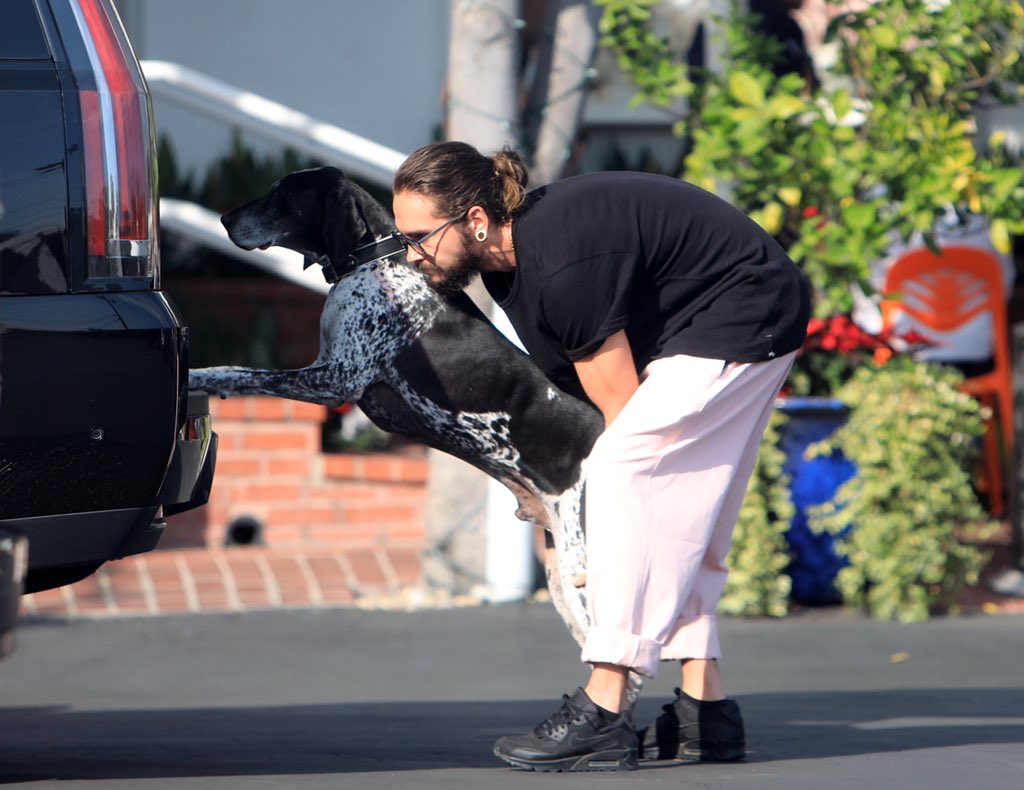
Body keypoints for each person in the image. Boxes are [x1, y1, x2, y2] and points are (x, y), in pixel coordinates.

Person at [392, 141, 811, 772]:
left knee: (629, 473)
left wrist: (600, 534)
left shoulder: (558, 267)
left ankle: (606, 703)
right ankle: (707, 712)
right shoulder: (511, 268)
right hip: (708, 319)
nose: (411, 252)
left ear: (475, 222)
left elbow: (618, 416)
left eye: (422, 235)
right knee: (683, 500)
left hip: (747, 310)